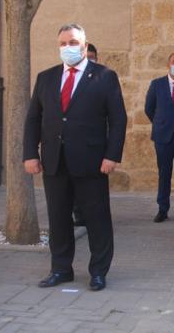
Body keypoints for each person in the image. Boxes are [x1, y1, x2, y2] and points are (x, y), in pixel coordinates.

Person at [23, 24, 127, 291]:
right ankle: (61, 269)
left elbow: (117, 119)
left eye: (72, 42)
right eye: (62, 43)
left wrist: (112, 155)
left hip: (92, 162)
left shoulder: (104, 76)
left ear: (83, 44)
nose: (67, 47)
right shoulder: (46, 78)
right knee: (58, 219)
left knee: (97, 218)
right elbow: (34, 119)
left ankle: (98, 272)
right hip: (54, 161)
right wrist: (30, 154)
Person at [145, 53, 174, 223]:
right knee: (164, 174)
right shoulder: (157, 84)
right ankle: (162, 209)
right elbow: (149, 108)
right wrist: (161, 123)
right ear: (168, 64)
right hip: (163, 136)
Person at [72, 42, 99, 228]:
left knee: (92, 182)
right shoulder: (72, 80)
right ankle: (78, 214)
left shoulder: (104, 79)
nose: (89, 61)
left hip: (95, 142)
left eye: (92, 58)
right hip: (75, 140)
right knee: (75, 181)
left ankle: (92, 214)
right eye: (86, 57)